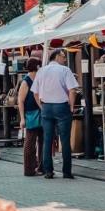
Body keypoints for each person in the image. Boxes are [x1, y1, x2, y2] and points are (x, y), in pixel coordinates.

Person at [31, 48, 79, 179]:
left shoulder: (41, 71)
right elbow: (72, 90)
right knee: (65, 140)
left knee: (47, 140)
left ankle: (48, 171)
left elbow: (35, 93)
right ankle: (67, 172)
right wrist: (71, 106)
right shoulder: (65, 70)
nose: (64, 59)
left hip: (46, 107)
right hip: (62, 107)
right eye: (63, 56)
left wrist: (41, 106)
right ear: (57, 56)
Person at [18, 58, 43, 176]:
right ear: (37, 67)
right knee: (30, 142)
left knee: (42, 141)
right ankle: (28, 169)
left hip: (41, 113)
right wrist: (22, 118)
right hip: (31, 114)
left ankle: (40, 166)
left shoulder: (38, 79)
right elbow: (20, 101)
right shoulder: (26, 81)